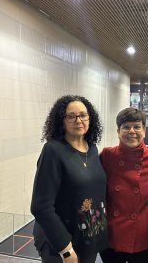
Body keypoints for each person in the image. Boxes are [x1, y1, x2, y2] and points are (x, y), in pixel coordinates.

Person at [31, 95, 108, 263]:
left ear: (90, 118)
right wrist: (65, 250)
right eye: (71, 116)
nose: (78, 120)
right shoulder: (52, 151)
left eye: (83, 115)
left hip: (87, 242)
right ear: (62, 121)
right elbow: (41, 207)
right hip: (62, 247)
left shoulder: (92, 149)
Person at [99, 107, 148, 263]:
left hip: (144, 237)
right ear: (118, 131)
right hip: (112, 236)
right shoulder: (106, 155)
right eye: (126, 127)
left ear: (144, 130)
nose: (132, 131)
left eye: (137, 126)